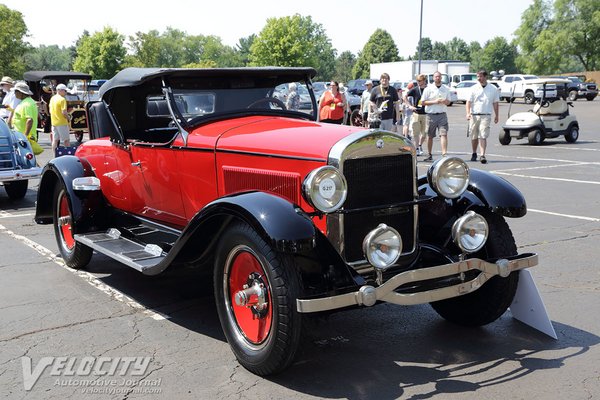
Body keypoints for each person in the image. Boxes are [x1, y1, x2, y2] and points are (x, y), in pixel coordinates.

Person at [466, 69, 500, 164]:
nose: (479, 78)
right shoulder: (473, 88)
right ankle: (474, 153)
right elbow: (468, 102)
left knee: (483, 135)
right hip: (474, 115)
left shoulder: (493, 89)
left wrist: (497, 115)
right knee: (474, 136)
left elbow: (495, 103)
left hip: (486, 115)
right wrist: (468, 113)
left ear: (485, 77)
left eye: (480, 76)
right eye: (478, 76)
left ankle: (482, 155)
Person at [420, 71, 451, 161]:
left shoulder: (446, 88)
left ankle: (444, 154)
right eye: (436, 77)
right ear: (433, 78)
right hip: (431, 115)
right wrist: (435, 102)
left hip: (442, 114)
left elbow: (449, 101)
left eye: (439, 77)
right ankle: (429, 154)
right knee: (430, 136)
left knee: (443, 134)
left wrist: (445, 101)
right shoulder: (428, 89)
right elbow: (423, 102)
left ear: (441, 78)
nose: (437, 78)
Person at [404, 75, 427, 156]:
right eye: (418, 81)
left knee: (425, 133)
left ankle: (420, 145)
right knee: (415, 133)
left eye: (420, 81)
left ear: (424, 81)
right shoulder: (415, 89)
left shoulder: (428, 89)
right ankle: (416, 147)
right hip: (416, 113)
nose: (419, 83)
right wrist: (409, 106)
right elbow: (405, 96)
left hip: (426, 114)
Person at [49, 83, 72, 151]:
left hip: (54, 122)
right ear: (60, 90)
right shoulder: (62, 99)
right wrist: (68, 118)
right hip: (62, 122)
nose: (66, 92)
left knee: (55, 140)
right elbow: (64, 112)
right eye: (65, 91)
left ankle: (54, 154)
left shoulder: (52, 98)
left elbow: (50, 111)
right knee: (66, 140)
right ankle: (68, 154)